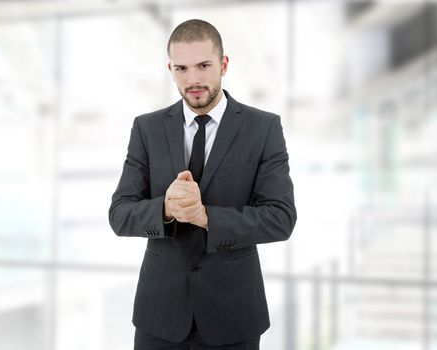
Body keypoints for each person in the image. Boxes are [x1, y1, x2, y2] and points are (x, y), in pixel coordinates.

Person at [108, 19, 296, 350]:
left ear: (223, 64)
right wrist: (166, 209)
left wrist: (205, 216)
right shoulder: (146, 129)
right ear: (170, 69)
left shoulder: (263, 128)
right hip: (160, 316)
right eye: (181, 68)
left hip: (233, 315)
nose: (192, 79)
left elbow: (280, 218)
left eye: (203, 66)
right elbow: (120, 214)